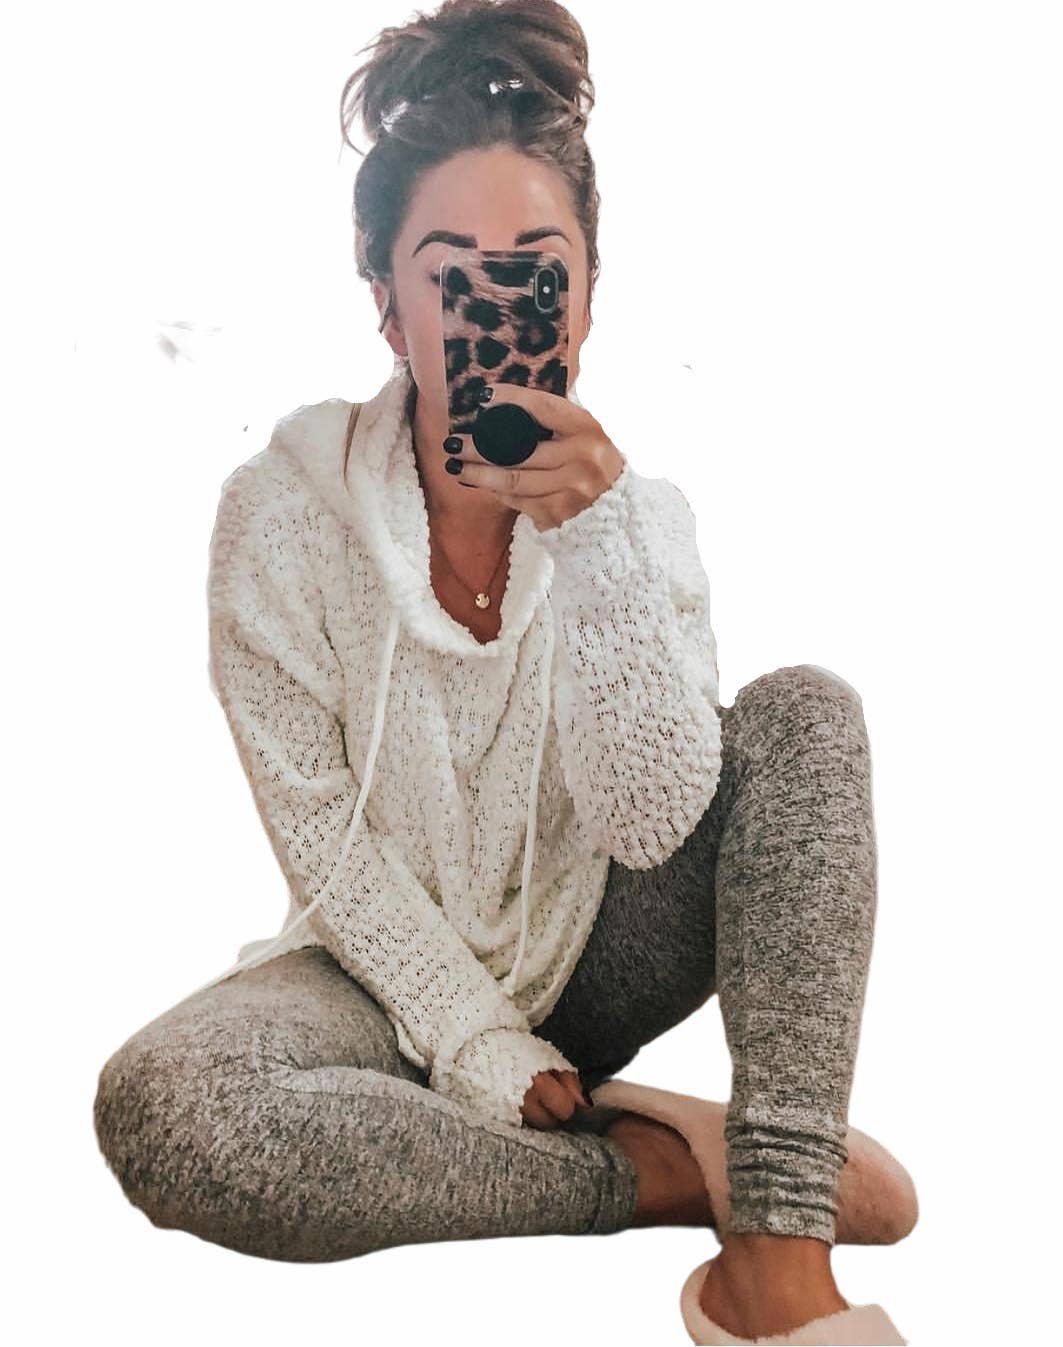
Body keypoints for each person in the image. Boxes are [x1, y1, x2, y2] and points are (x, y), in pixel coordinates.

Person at [93, 2, 915, 1339]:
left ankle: (776, 1253)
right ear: (387, 304)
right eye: (448, 275)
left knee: (807, 715)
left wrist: (593, 543)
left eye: (535, 272)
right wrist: (477, 1042)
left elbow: (653, 821)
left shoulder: (643, 524)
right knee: (172, 1111)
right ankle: (656, 1168)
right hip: (378, 976)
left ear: (585, 295)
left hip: (597, 943)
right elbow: (323, 840)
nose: (497, 310)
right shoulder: (280, 517)